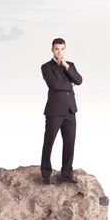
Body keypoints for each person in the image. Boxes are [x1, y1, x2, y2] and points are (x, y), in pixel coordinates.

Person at [40, 37, 83, 185]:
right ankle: (45, 174)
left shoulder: (70, 65)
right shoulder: (46, 67)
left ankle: (66, 173)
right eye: (57, 49)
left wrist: (66, 67)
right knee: (49, 142)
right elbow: (55, 84)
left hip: (70, 110)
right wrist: (69, 84)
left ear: (65, 49)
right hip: (54, 111)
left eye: (62, 49)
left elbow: (79, 80)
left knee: (70, 143)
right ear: (52, 49)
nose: (59, 52)